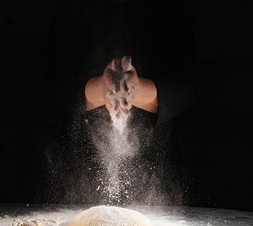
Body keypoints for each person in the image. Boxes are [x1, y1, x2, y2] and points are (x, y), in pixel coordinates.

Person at [37, 0, 197, 205]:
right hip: (77, 164)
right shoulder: (72, 8)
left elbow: (189, 88)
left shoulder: (171, 10)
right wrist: (98, 91)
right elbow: (50, 85)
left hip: (157, 167)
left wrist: (141, 92)